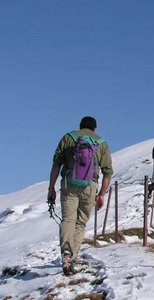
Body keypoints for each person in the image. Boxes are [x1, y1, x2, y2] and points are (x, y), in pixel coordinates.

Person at [47, 116, 113, 275]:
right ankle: (73, 255)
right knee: (80, 223)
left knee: (68, 219)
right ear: (95, 129)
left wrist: (51, 188)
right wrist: (101, 195)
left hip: (69, 184)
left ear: (80, 126)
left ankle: (66, 253)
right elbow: (108, 172)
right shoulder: (101, 143)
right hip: (89, 187)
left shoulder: (68, 138)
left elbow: (56, 163)